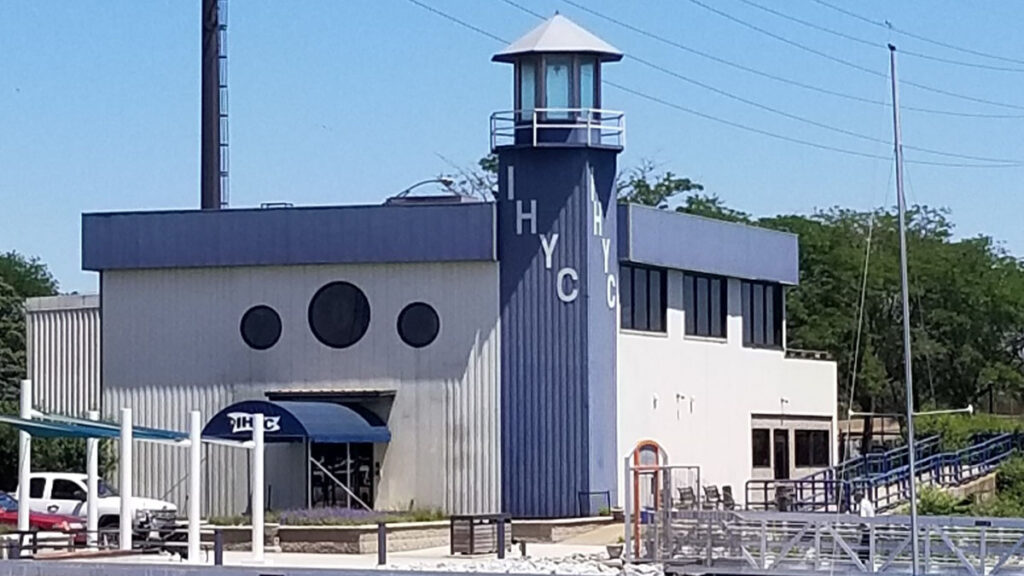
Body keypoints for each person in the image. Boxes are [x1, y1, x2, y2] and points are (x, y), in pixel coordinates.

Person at [857, 490, 874, 563]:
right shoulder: (867, 502)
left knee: (863, 550)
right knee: (868, 547)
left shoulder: (862, 503)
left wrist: (858, 527)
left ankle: (864, 565)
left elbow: (863, 517)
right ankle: (868, 562)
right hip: (871, 526)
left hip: (867, 528)